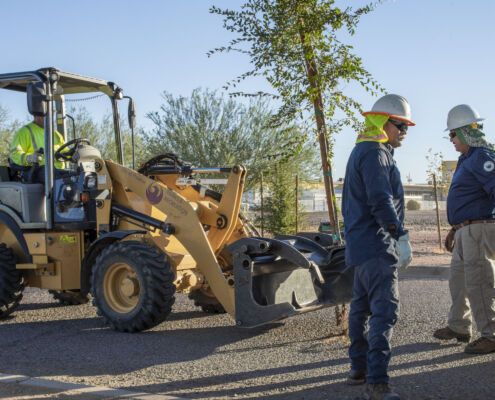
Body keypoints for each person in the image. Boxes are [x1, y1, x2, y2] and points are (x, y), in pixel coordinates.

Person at [342, 94, 414, 400]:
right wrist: (399, 234)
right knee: (385, 311)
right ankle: (378, 383)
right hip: (377, 244)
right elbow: (381, 199)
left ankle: (359, 369)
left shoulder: (362, 150)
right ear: (383, 121)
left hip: (360, 246)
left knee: (360, 308)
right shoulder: (376, 153)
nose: (404, 132)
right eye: (400, 125)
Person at [433, 104, 495, 354]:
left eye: (452, 134)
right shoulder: (467, 158)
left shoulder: (482, 157)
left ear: (466, 132)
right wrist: (455, 228)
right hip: (464, 231)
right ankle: (459, 326)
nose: (450, 139)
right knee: (458, 280)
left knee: (479, 281)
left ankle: (491, 334)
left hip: (478, 230)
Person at [9, 113, 65, 183]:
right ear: (35, 115)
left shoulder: (56, 134)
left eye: (50, 115)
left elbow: (65, 152)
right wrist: (29, 158)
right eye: (43, 115)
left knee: (75, 175)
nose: (47, 117)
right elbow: (14, 154)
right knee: (52, 176)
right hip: (35, 171)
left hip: (57, 171)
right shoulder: (24, 132)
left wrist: (73, 153)